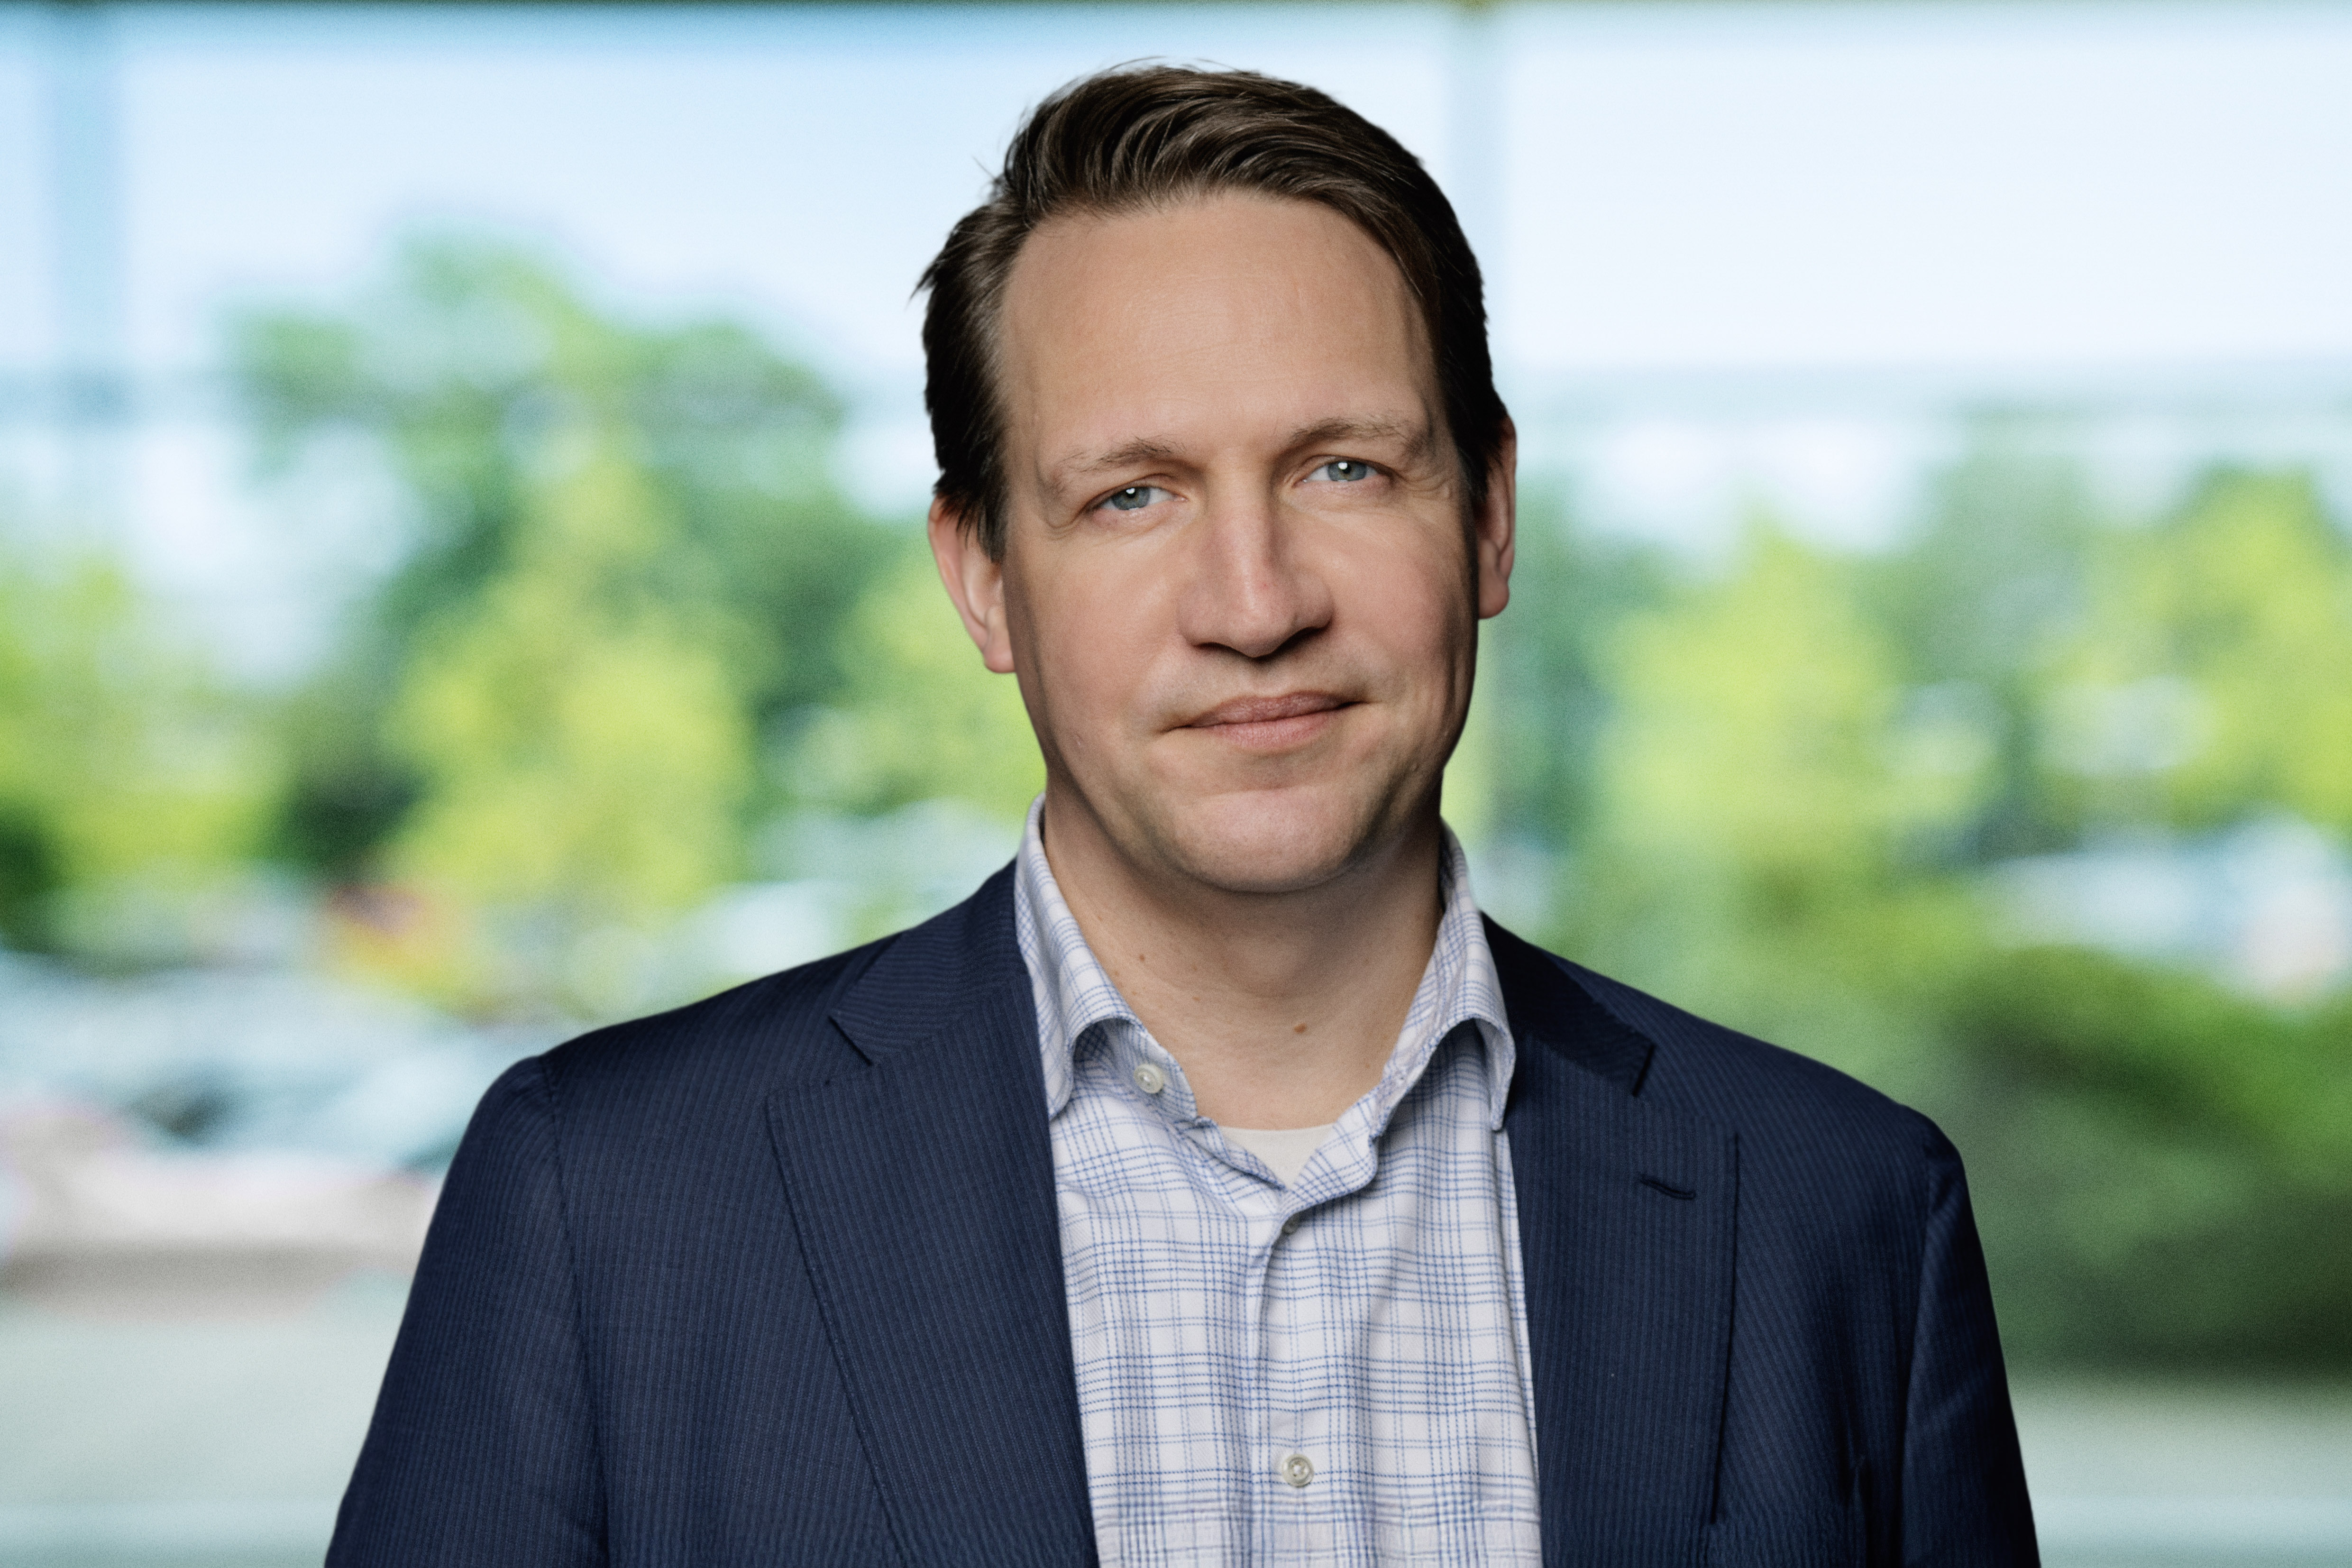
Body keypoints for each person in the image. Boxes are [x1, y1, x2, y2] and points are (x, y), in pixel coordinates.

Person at [329, 65, 2038, 1566]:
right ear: (983, 577)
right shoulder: (604, 1200)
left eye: (1342, 468)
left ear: (1488, 516)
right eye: (1132, 494)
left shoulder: (1841, 1213)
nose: (1253, 602)